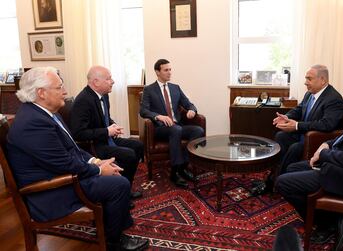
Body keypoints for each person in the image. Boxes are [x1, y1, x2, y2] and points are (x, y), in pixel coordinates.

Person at [7, 67, 149, 251]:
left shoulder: (44, 113)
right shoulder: (33, 123)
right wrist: (99, 170)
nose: (65, 92)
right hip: (50, 192)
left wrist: (96, 162)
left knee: (113, 174)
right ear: (41, 93)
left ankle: (111, 229)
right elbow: (63, 162)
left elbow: (71, 148)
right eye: (59, 87)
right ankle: (114, 243)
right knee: (118, 184)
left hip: (60, 177)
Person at [276, 57, 343, 250]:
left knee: (284, 182)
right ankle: (334, 217)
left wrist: (323, 155)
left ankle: (327, 223)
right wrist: (327, 144)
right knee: (292, 167)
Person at [70, 66, 144, 203]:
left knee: (138, 145)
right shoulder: (83, 100)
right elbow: (78, 133)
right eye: (108, 78)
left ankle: (125, 187)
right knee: (129, 154)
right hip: (94, 145)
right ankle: (121, 191)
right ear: (96, 82)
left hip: (106, 139)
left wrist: (113, 125)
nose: (113, 81)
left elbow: (105, 118)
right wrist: (106, 131)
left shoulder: (104, 95)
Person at [140, 59, 204, 188]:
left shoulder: (175, 88)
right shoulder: (149, 90)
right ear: (157, 72)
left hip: (177, 125)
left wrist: (192, 109)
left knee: (198, 130)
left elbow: (188, 103)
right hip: (160, 128)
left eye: (170, 69)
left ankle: (184, 166)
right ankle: (174, 173)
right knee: (176, 130)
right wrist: (158, 116)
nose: (169, 73)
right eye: (166, 70)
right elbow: (143, 110)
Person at [273, 65, 343, 175]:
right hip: (304, 134)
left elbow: (327, 124)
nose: (305, 82)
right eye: (306, 78)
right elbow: (299, 109)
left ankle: (279, 178)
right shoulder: (310, 93)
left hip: (318, 139)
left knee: (295, 148)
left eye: (309, 79)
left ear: (322, 80)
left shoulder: (333, 98)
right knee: (281, 135)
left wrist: (297, 125)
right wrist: (286, 117)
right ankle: (276, 173)